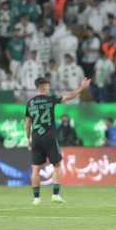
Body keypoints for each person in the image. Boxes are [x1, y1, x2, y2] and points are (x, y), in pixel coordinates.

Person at [25, 76, 91, 205]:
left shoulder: (30, 102)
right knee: (57, 165)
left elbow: (27, 123)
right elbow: (69, 96)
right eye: (48, 85)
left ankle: (36, 198)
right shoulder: (50, 100)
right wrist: (82, 87)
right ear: (43, 86)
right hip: (49, 136)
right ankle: (55, 195)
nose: (49, 87)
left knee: (35, 168)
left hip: (36, 137)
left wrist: (28, 138)